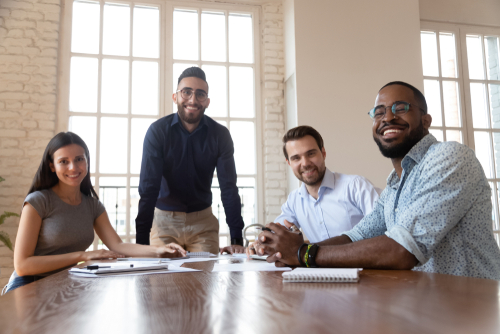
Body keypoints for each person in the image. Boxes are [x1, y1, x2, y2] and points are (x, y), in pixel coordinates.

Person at [253, 81, 500, 280]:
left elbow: (402, 250)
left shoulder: (449, 157)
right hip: (423, 306)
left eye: (400, 108)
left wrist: (304, 253)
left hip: (471, 308)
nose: (388, 118)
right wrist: (290, 251)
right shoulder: (394, 183)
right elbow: (355, 236)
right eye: (379, 112)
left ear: (426, 121)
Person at [3, 132, 186, 294]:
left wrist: (159, 250)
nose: (73, 167)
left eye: (79, 159)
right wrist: (82, 256)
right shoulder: (37, 201)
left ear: (87, 161)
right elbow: (22, 265)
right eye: (63, 161)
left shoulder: (92, 206)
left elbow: (118, 245)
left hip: (64, 285)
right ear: (52, 166)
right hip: (28, 286)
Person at [136, 67, 245, 255]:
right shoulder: (157, 132)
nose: (193, 100)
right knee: (162, 283)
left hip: (203, 225)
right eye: (186, 92)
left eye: (200, 94)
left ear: (207, 101)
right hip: (164, 225)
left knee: (203, 282)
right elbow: (148, 188)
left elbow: (229, 187)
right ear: (175, 97)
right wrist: (141, 241)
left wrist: (236, 238)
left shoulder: (220, 135)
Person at [273, 125, 379, 243]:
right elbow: (275, 232)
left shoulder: (356, 187)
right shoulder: (294, 201)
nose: (305, 163)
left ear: (323, 153)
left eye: (311, 154)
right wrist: (262, 242)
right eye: (296, 158)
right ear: (289, 163)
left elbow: (384, 230)